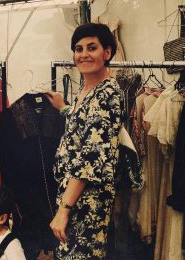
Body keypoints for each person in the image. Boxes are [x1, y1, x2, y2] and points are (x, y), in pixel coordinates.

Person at [45, 23, 125, 259]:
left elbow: (90, 157)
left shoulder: (107, 93)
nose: (84, 54)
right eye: (78, 49)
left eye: (92, 47)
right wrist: (64, 108)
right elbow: (85, 125)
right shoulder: (89, 90)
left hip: (86, 201)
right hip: (75, 195)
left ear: (107, 53)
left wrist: (64, 210)